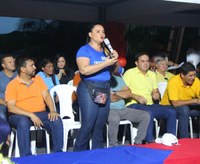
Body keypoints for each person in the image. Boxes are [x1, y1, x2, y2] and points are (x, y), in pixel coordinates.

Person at [5, 55, 63, 156]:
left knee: (56, 119)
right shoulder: (12, 85)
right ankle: (26, 157)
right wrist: (30, 115)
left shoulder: (38, 79)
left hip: (40, 113)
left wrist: (52, 110)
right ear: (23, 69)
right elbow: (11, 107)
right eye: (32, 65)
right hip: (19, 116)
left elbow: (46, 95)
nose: (35, 67)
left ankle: (58, 154)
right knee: (23, 122)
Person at [74, 23, 118, 151]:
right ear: (90, 34)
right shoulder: (84, 50)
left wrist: (114, 60)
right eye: (98, 31)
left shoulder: (106, 51)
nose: (102, 34)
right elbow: (84, 70)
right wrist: (105, 63)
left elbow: (115, 71)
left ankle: (98, 155)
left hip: (104, 88)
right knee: (88, 124)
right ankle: (77, 155)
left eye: (103, 31)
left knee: (99, 125)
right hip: (89, 88)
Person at [123, 52, 177, 143]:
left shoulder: (152, 74)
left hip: (149, 104)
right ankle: (150, 141)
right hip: (133, 105)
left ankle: (171, 139)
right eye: (142, 61)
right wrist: (136, 96)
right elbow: (124, 91)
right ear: (137, 63)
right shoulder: (129, 73)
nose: (146, 63)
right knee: (148, 113)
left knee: (171, 111)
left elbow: (155, 90)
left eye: (147, 61)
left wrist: (156, 94)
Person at [108, 64, 150, 146]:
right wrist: (122, 95)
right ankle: (113, 145)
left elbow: (129, 93)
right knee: (114, 118)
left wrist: (115, 93)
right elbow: (110, 98)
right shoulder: (102, 81)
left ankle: (138, 142)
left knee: (145, 115)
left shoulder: (118, 79)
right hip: (110, 109)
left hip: (123, 109)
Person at [161, 62, 200, 138]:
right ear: (182, 75)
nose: (193, 78)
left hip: (187, 105)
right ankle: (184, 139)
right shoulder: (173, 81)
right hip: (169, 106)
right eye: (190, 75)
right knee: (184, 110)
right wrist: (195, 101)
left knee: (187, 109)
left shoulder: (196, 81)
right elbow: (175, 103)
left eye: (194, 75)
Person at [0, 53, 17, 121]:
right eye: (10, 62)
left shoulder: (20, 74)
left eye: (13, 62)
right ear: (3, 65)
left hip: (20, 102)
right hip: (3, 103)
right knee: (1, 113)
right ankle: (6, 131)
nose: (13, 63)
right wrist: (6, 104)